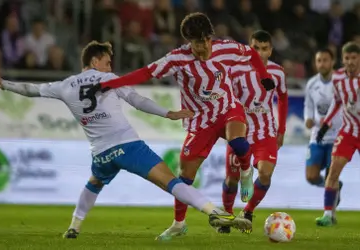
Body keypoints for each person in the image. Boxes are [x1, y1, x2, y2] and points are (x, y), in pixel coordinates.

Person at [0, 41, 252, 239]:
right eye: (107, 62)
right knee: (171, 181)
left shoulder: (65, 85)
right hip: (127, 146)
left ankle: (74, 226)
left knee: (94, 183)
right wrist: (167, 113)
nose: (110, 67)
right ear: (95, 61)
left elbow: (31, 90)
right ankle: (213, 211)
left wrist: (5, 84)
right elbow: (137, 101)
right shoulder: (108, 79)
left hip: (101, 153)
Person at [84, 12, 274, 241]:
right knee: (184, 176)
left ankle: (245, 170)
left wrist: (264, 76)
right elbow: (145, 72)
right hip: (200, 121)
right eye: (196, 42)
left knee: (239, 142)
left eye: (205, 40)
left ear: (209, 37)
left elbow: (252, 54)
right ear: (188, 41)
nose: (202, 47)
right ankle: (178, 224)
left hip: (228, 110)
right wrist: (111, 84)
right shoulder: (177, 59)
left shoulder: (226, 48)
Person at [218, 30, 288, 234]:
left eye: (264, 49)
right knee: (232, 180)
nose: (259, 52)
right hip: (240, 131)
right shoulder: (236, 70)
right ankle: (227, 215)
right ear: (250, 47)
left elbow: (283, 98)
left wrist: (281, 130)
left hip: (265, 132)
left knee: (265, 173)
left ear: (270, 50)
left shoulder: (278, 72)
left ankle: (247, 212)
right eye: (255, 48)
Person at [315, 42, 360, 226]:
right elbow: (336, 102)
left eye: (354, 58)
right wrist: (325, 124)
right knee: (332, 172)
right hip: (348, 132)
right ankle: (328, 215)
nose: (350, 61)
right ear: (342, 59)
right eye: (347, 58)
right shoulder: (338, 78)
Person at [304, 48, 343, 210]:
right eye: (319, 60)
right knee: (311, 176)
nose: (322, 64)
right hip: (317, 136)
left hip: (336, 136)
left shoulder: (340, 81)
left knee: (330, 176)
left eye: (325, 60)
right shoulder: (312, 83)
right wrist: (308, 119)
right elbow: (308, 105)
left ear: (332, 62)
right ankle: (336, 188)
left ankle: (330, 214)